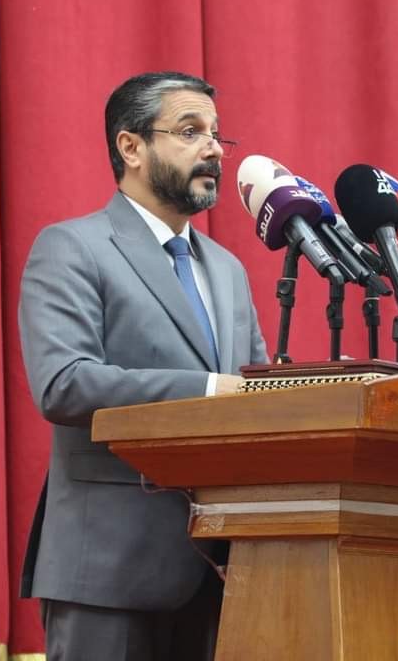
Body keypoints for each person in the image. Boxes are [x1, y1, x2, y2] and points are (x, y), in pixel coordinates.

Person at [17, 71, 268, 660]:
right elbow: (64, 383)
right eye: (190, 131)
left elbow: (254, 392)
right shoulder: (73, 247)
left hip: (221, 571)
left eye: (217, 135)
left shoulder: (227, 269)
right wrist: (210, 390)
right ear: (131, 147)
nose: (214, 149)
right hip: (109, 570)